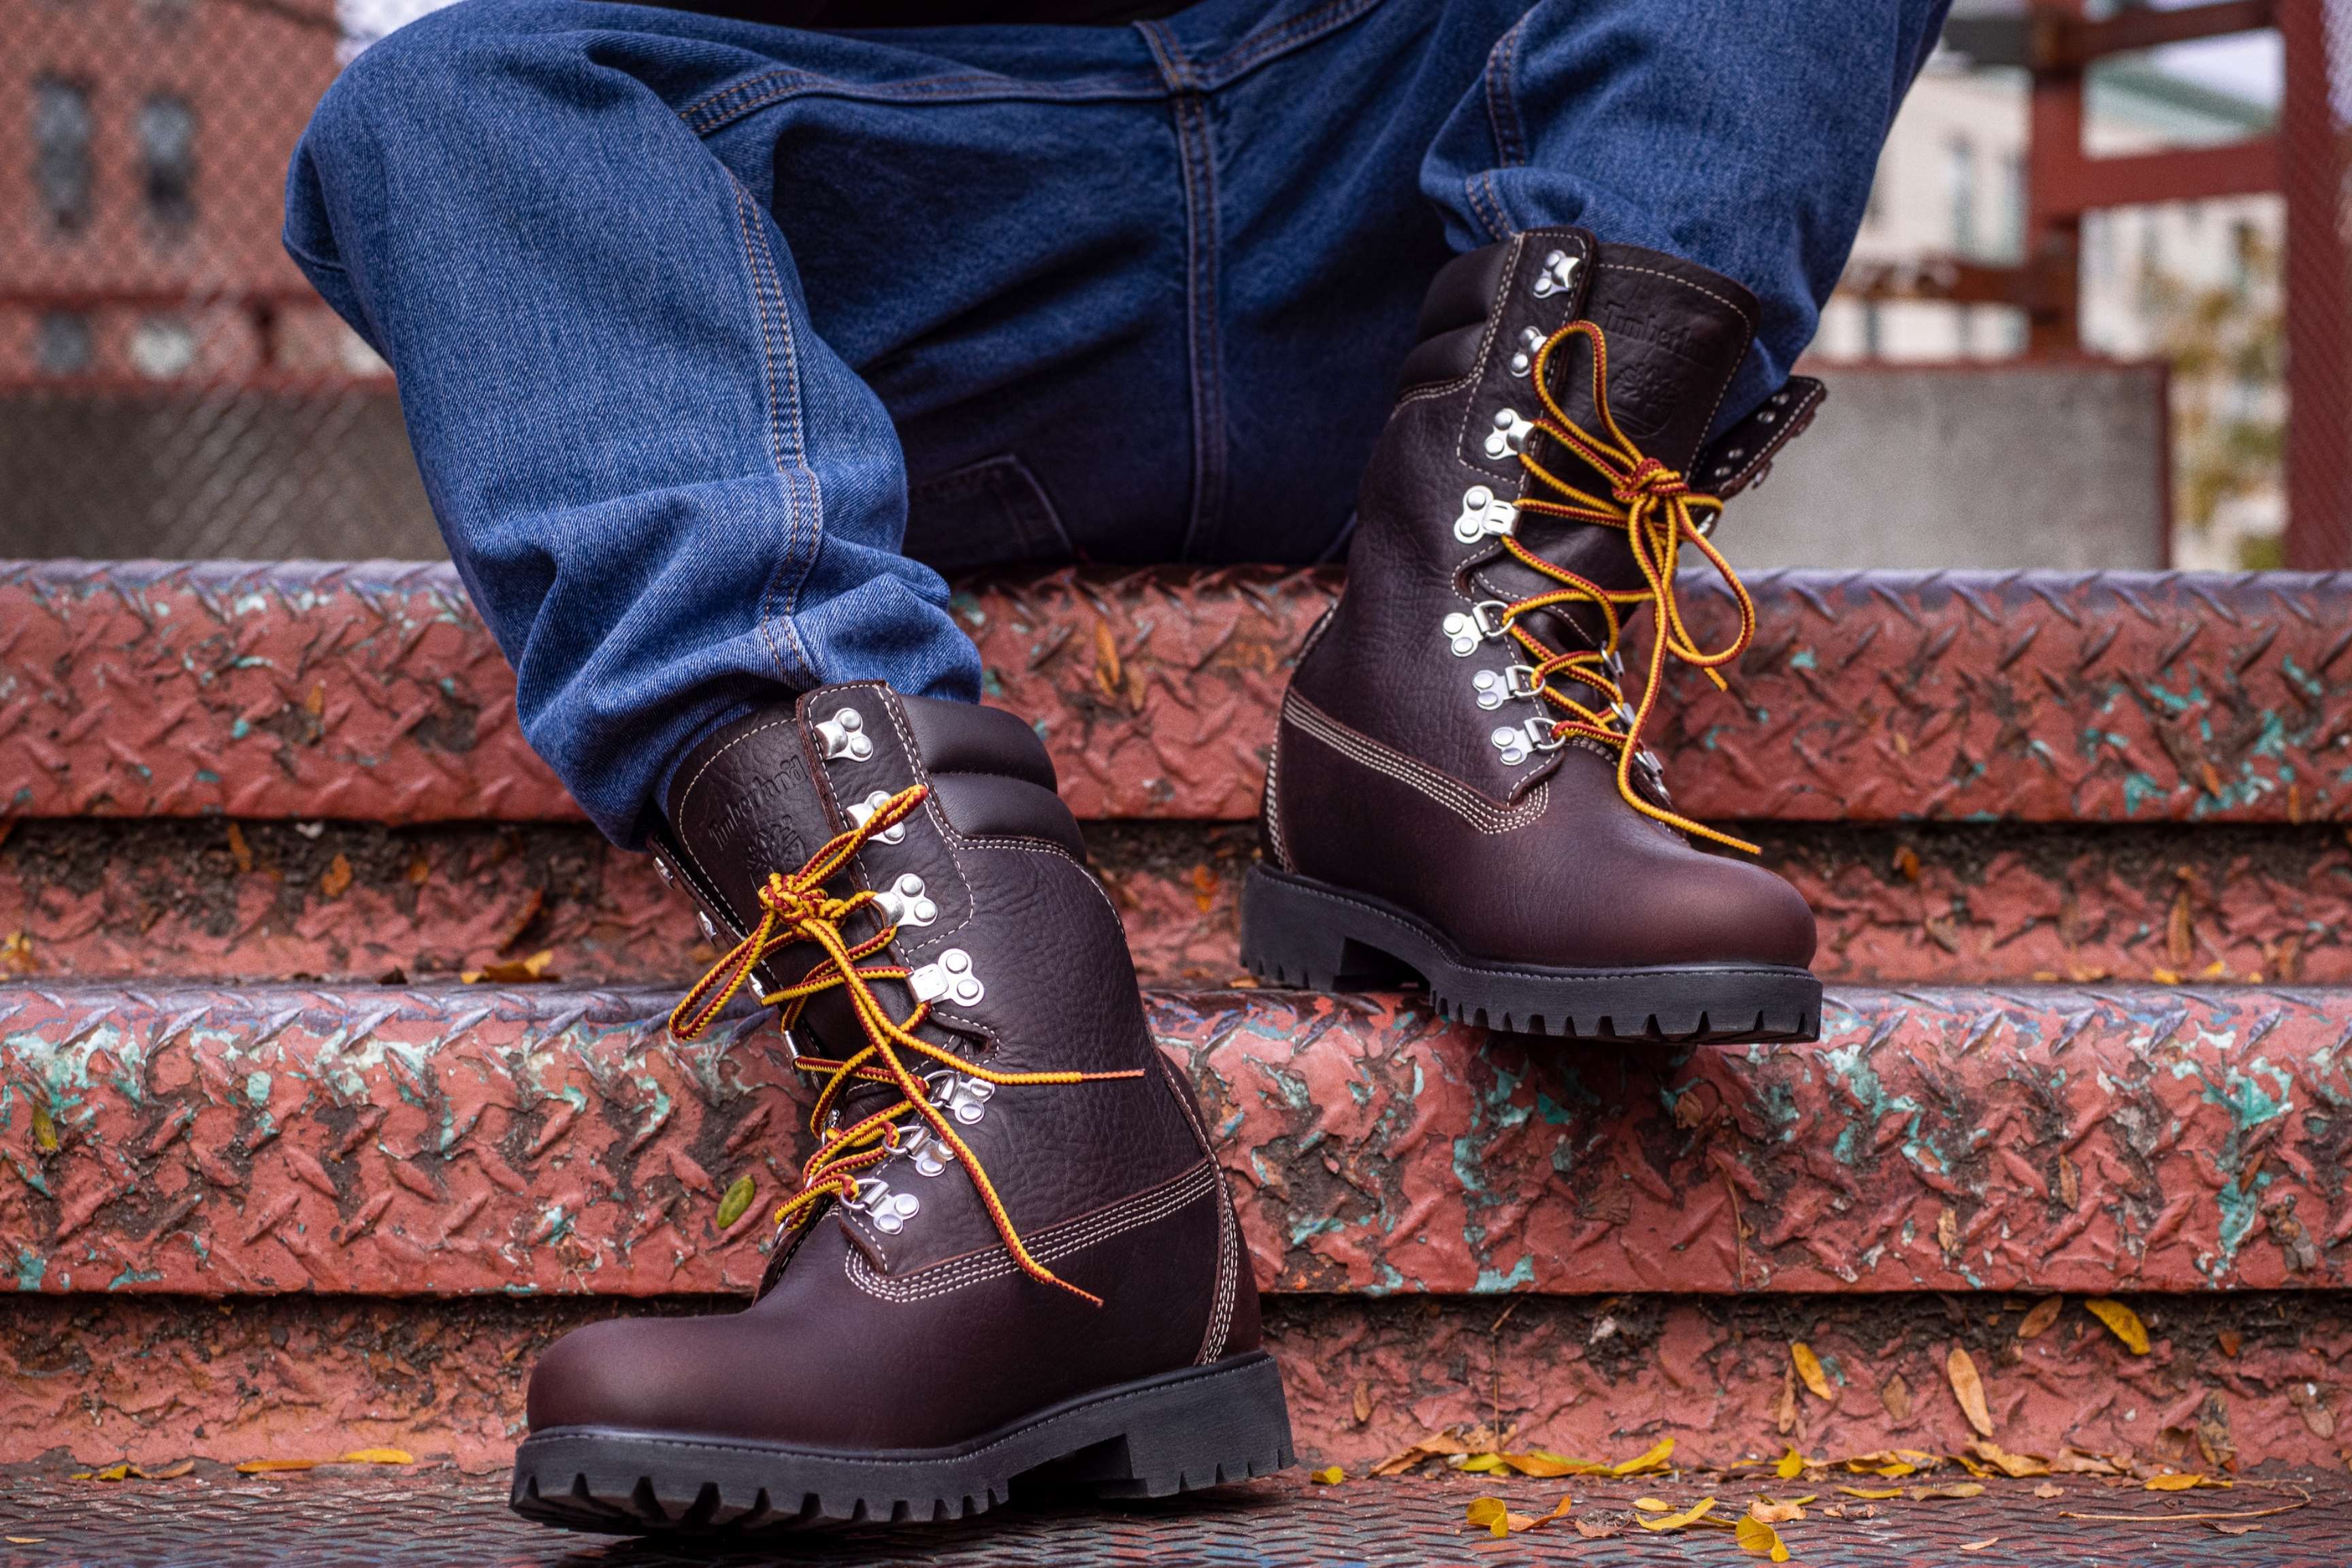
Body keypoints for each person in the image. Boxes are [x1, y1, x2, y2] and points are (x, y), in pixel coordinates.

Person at [286, 0, 1947, 1533]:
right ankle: (1028, 1119)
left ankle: (1461, 679)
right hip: (892, 198)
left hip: (1415, 139)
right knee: (438, 114)